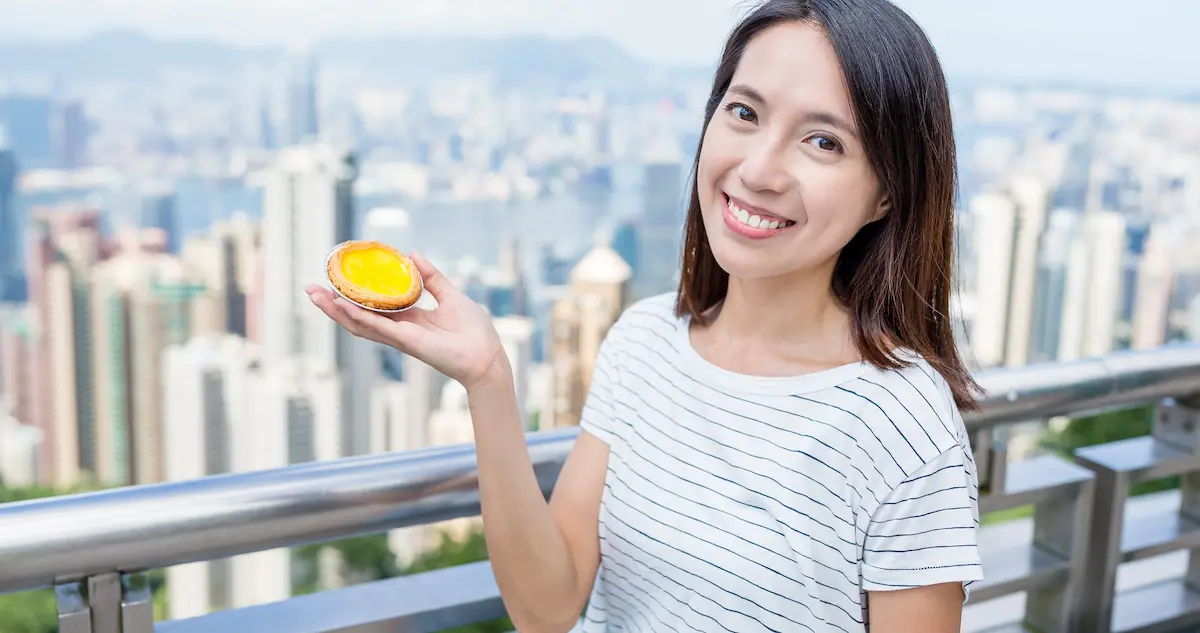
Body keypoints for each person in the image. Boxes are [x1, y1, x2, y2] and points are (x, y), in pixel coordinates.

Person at [308, 0, 983, 630]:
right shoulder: (644, 341)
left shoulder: (904, 423)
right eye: (745, 113)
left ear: (887, 196)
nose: (759, 169)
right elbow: (547, 605)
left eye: (824, 143)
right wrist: (487, 378)